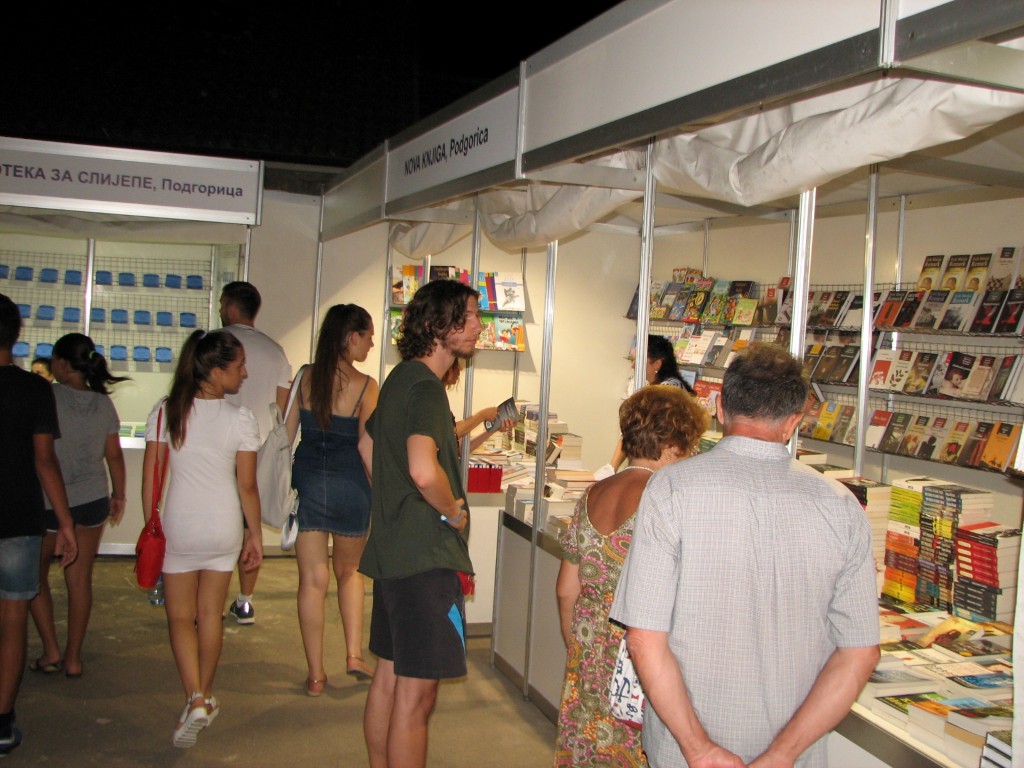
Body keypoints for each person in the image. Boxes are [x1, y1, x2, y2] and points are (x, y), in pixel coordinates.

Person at [610, 343, 879, 768]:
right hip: (794, 755)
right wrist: (782, 755)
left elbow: (644, 638)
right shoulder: (842, 505)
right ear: (793, 422)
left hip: (685, 752)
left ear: (719, 407)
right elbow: (860, 653)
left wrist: (699, 748)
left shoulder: (671, 489)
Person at [359, 279, 482, 768]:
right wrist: (451, 510)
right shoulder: (427, 388)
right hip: (426, 563)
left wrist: (395, 501)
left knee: (388, 679)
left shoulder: (399, 378)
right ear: (436, 325)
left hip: (394, 555)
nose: (478, 327)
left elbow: (366, 445)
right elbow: (423, 470)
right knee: (416, 699)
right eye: (467, 317)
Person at [554, 386, 707, 768]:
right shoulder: (664, 501)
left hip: (589, 647)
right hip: (640, 659)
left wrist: (579, 649)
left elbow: (566, 589)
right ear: (671, 446)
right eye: (688, 446)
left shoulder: (593, 494)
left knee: (588, 749)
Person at [143, 330, 262, 748]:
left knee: (180, 618)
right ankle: (205, 695)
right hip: (223, 526)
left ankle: (194, 697)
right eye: (239, 366)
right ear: (214, 371)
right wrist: (254, 534)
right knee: (211, 614)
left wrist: (150, 522)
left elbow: (152, 477)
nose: (244, 373)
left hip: (180, 524)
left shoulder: (167, 412)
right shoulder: (241, 420)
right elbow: (247, 486)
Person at [286, 304, 378, 695]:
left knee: (312, 580)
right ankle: (354, 654)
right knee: (350, 572)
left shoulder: (305, 377)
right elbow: (366, 447)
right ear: (351, 337)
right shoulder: (367, 386)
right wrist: (382, 492)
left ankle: (315, 675)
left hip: (308, 482)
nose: (371, 344)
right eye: (368, 337)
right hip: (351, 486)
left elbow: (286, 434)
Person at [0, 294, 77, 756]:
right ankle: (2, 720)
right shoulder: (34, 389)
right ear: (17, 335)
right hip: (19, 517)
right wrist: (65, 523)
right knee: (13, 619)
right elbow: (45, 461)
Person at [28, 334, 127, 679]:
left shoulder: (47, 395)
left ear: (62, 363)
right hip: (92, 499)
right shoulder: (103, 403)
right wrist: (119, 495)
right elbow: (114, 455)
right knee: (80, 580)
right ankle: (73, 658)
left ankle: (51, 649)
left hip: (48, 500)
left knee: (35, 576)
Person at [220, 281, 291, 625]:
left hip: (217, 449)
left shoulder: (213, 344)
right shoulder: (275, 352)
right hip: (259, 451)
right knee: (251, 528)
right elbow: (281, 409)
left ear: (232, 307)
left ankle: (208, 599)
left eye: (222, 304)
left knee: (219, 525)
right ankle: (245, 601)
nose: (220, 310)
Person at [611, 335, 693, 468]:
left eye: (638, 361)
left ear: (657, 364)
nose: (633, 365)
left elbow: (652, 435)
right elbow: (629, 434)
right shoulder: (650, 388)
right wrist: (611, 468)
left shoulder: (668, 391)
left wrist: (613, 468)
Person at [442, 360, 515, 452]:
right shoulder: (433, 395)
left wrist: (493, 428)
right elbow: (450, 435)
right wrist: (482, 415)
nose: (460, 368)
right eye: (455, 363)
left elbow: (460, 447)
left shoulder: (442, 396)